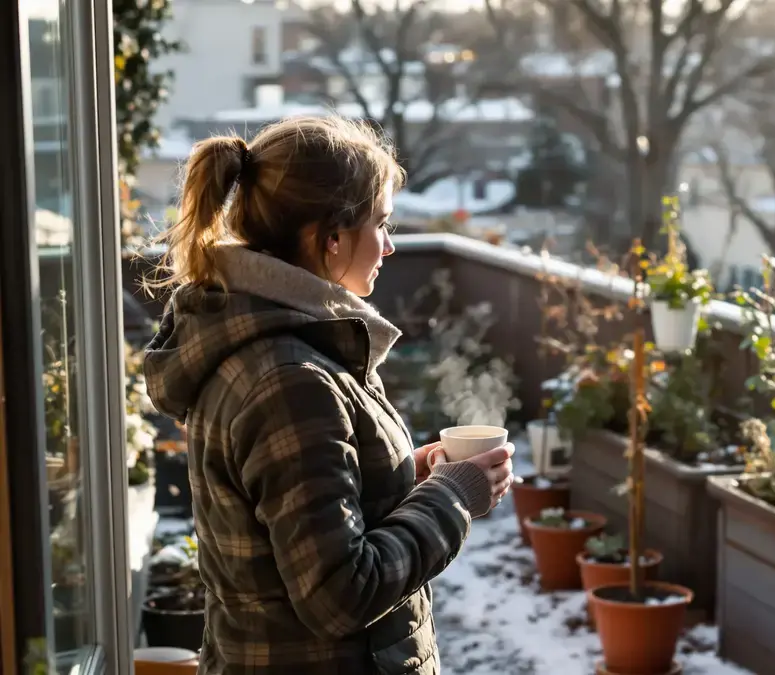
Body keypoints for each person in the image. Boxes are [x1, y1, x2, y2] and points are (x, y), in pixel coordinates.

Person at [142, 115, 514, 675]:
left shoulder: (279, 343)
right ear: (331, 236)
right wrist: (454, 498)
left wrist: (411, 477)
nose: (390, 246)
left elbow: (300, 516)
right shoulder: (290, 380)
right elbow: (340, 593)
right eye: (382, 224)